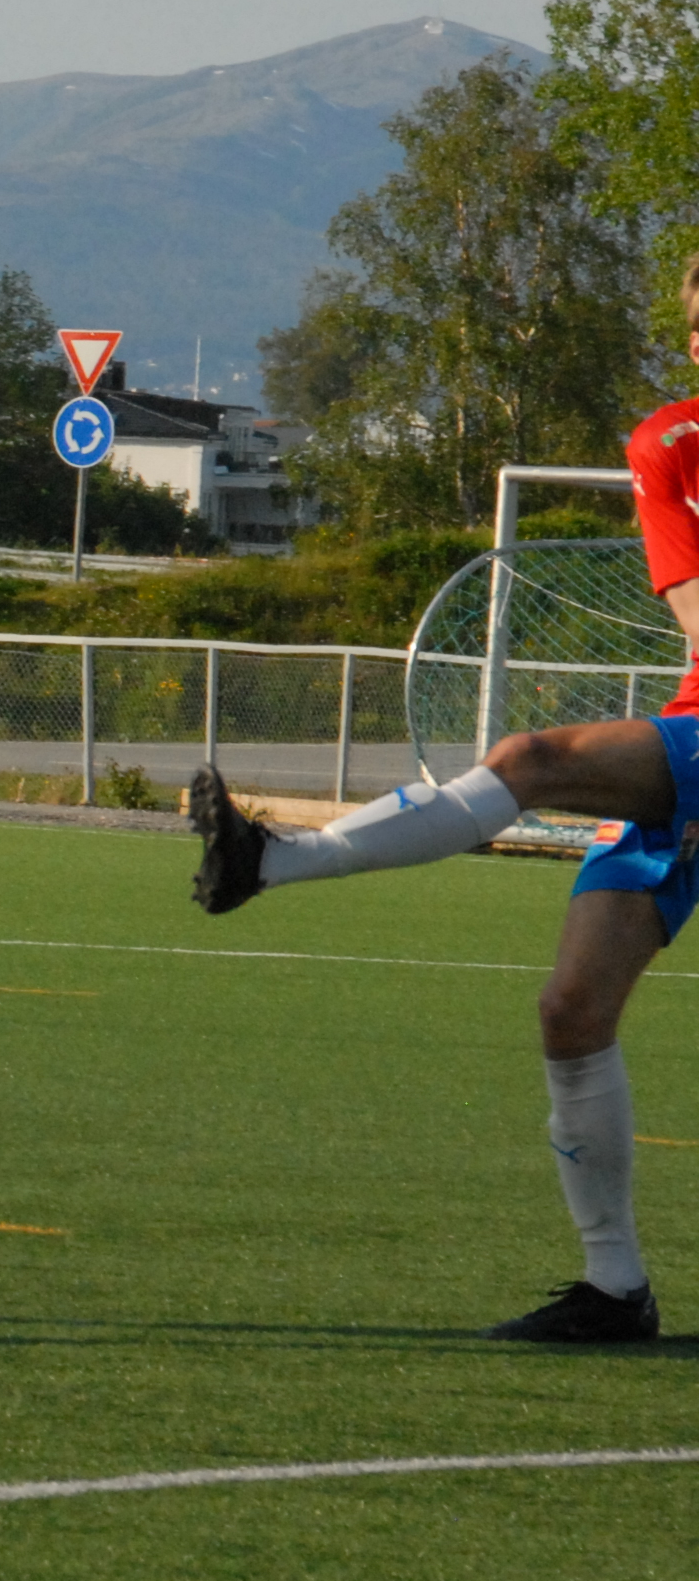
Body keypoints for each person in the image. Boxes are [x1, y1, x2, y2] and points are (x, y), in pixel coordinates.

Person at [188, 255, 699, 1344]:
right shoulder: (669, 444)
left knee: (531, 757)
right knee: (571, 1012)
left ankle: (276, 859)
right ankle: (616, 1290)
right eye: (696, 326)